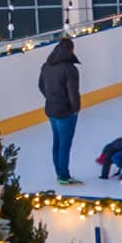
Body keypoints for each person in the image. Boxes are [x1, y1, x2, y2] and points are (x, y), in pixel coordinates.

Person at [39, 34, 82, 186]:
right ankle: (64, 176)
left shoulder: (46, 66)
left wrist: (51, 98)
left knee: (56, 143)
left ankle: (60, 174)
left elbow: (41, 86)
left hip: (51, 110)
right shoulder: (70, 70)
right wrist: (75, 109)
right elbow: (73, 93)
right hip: (65, 113)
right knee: (64, 145)